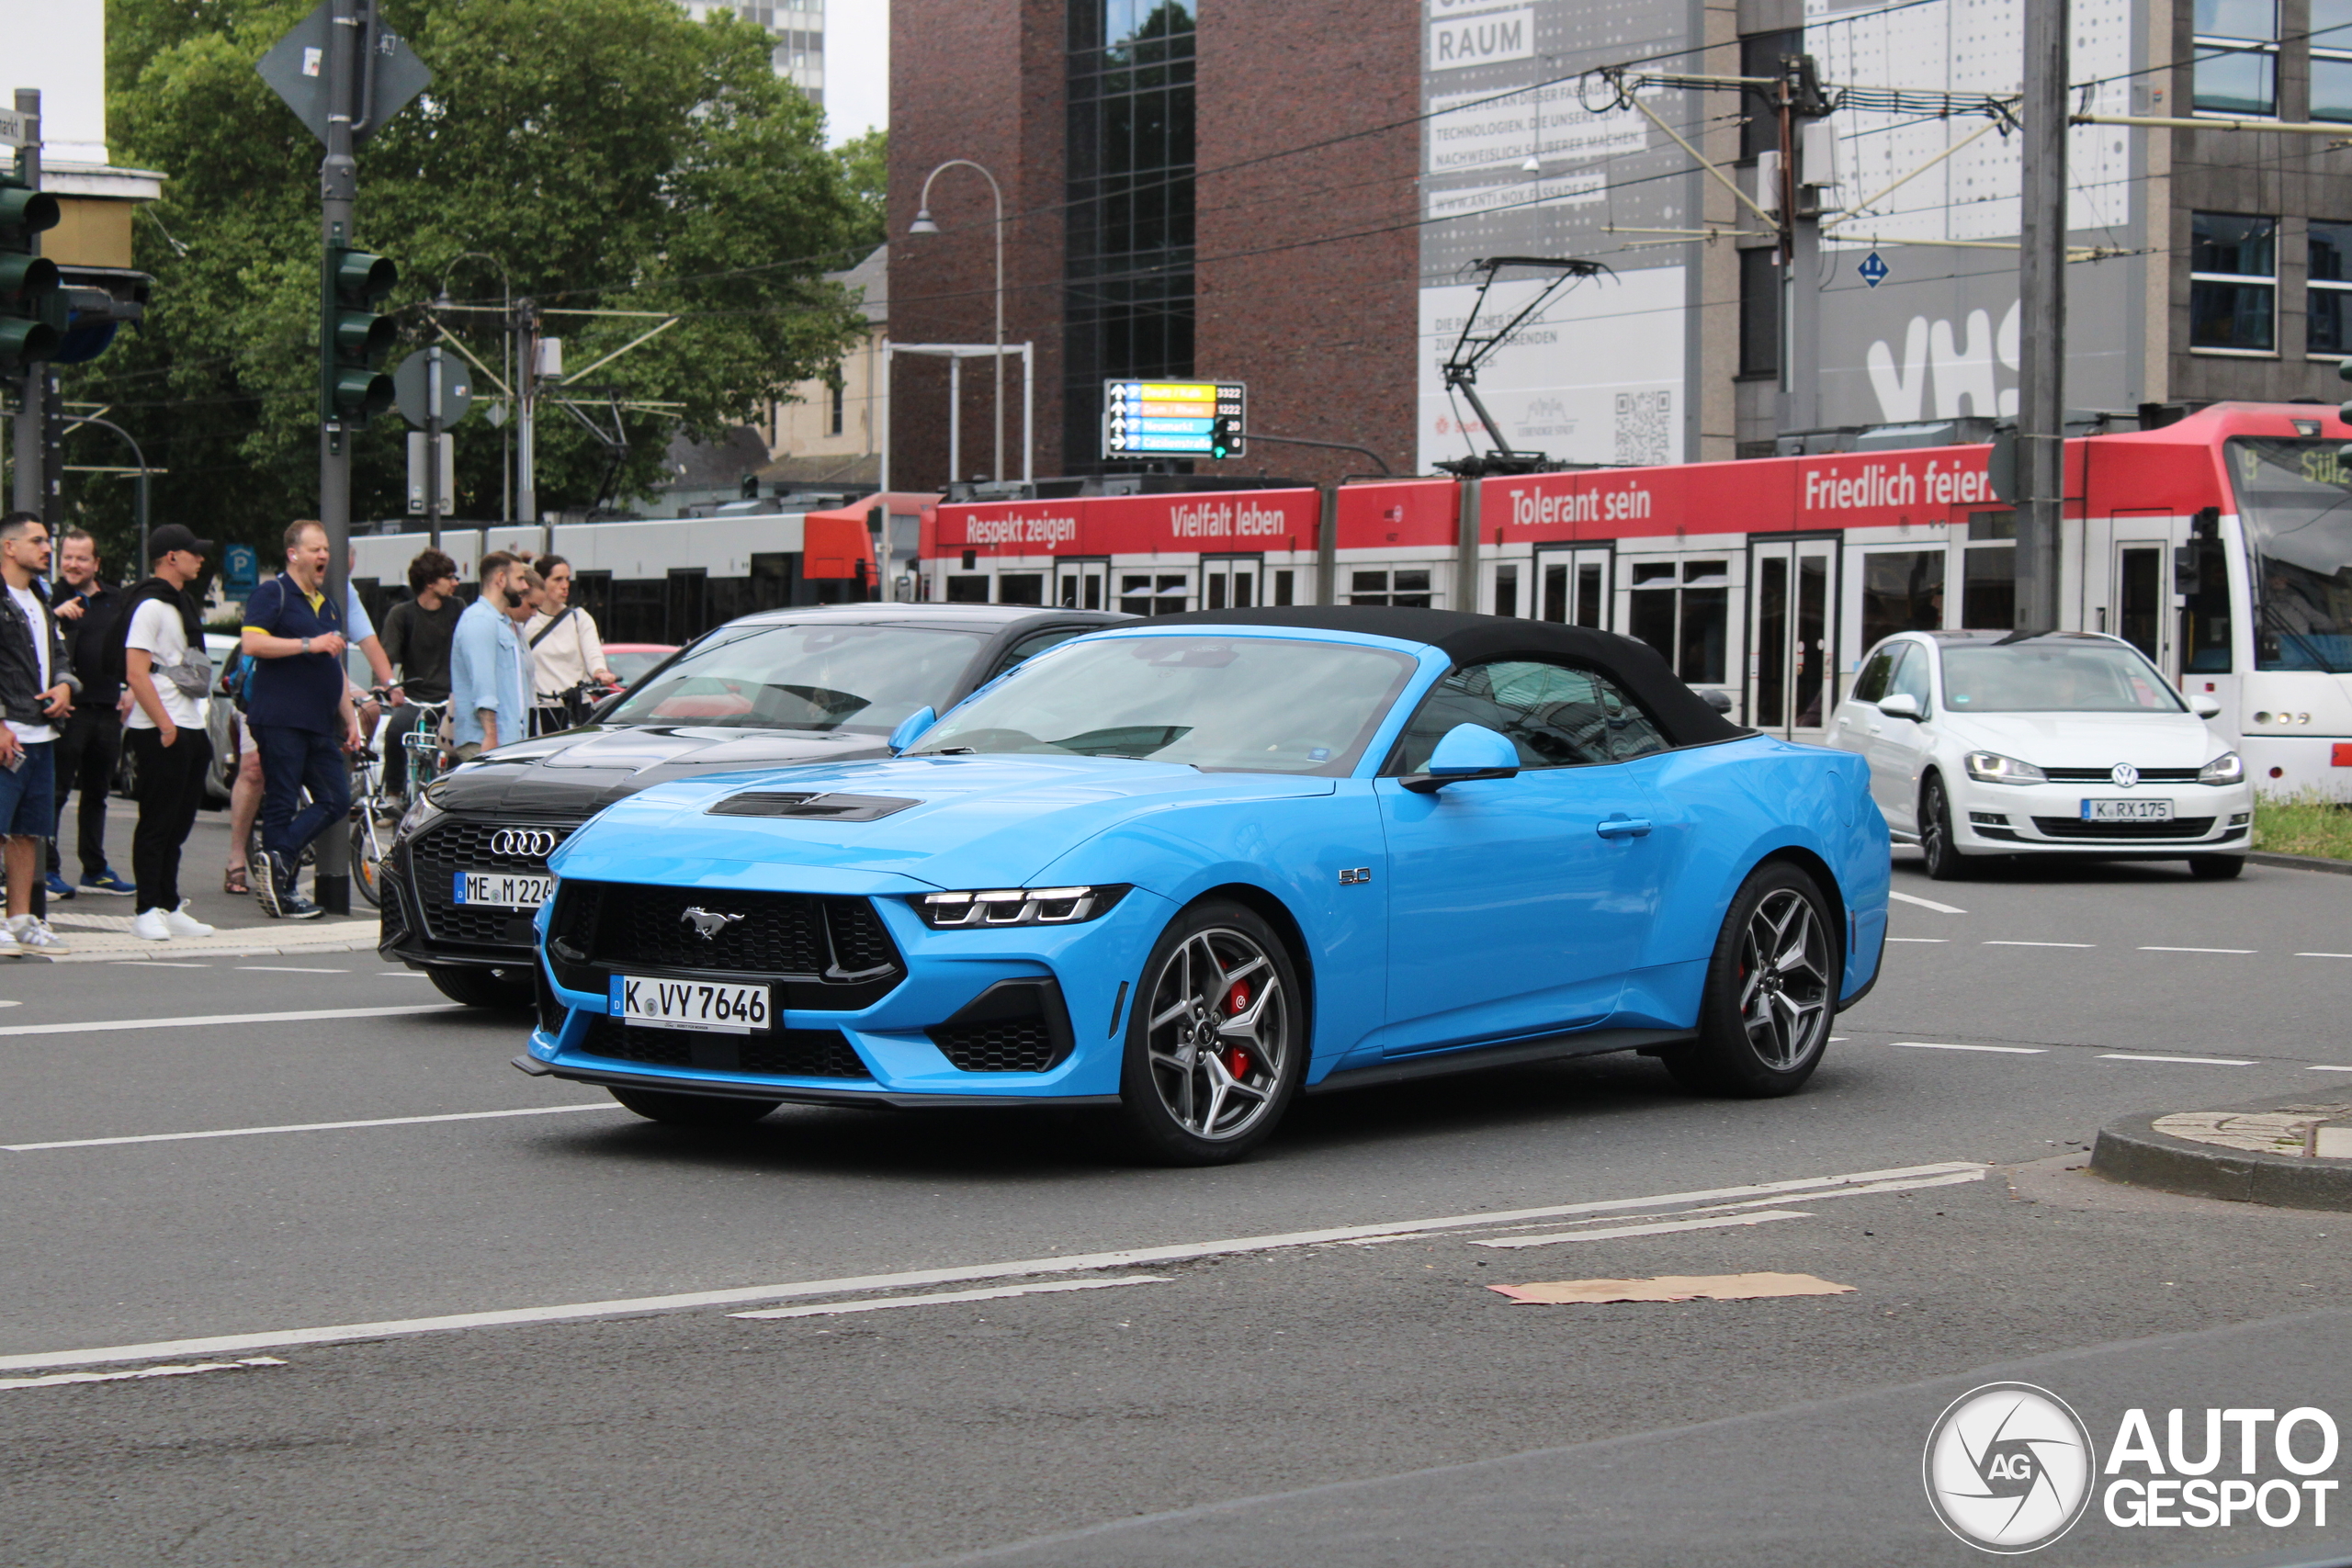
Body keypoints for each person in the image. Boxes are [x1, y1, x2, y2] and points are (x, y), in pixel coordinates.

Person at [240, 520, 363, 919]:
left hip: (319, 722)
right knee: (280, 799)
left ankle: (277, 855)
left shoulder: (327, 605)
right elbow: (253, 642)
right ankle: (283, 890)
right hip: (280, 718)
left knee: (336, 798)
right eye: (315, 549)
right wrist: (308, 643)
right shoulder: (272, 593)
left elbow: (335, 668)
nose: (323, 556)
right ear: (294, 554)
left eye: (326, 549)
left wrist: (351, 719)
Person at [117, 525, 218, 942]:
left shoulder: (182, 603)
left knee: (180, 822)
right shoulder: (151, 607)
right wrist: (164, 725)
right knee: (157, 822)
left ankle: (169, 903)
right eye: (193, 553)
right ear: (171, 557)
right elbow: (136, 673)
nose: (201, 559)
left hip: (191, 722)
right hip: (162, 725)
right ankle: (146, 908)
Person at [0, 512, 79, 956]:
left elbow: (60, 653)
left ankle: (21, 919)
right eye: (38, 540)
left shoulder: (40, 599)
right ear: (9, 547)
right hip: (9, 729)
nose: (47, 549)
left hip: (42, 732)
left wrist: (67, 684)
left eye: (48, 540)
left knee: (29, 831)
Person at [46, 528, 132, 898]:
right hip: (67, 711)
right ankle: (45, 868)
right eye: (67, 557)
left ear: (96, 563)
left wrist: (131, 690)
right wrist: (54, 616)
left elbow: (134, 647)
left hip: (108, 709)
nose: (73, 565)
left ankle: (94, 869)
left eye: (82, 558)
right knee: (54, 792)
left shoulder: (118, 599)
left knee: (97, 793)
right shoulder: (48, 595)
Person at [378, 547, 462, 803]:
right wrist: (389, 686)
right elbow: (386, 657)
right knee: (395, 732)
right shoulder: (401, 614)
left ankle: (454, 797)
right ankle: (393, 793)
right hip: (415, 699)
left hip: (450, 699)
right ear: (429, 582)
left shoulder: (458, 608)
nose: (455, 583)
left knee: (461, 744)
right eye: (449, 577)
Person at [448, 553, 534, 761]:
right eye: (520, 579)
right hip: (488, 744)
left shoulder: (501, 622)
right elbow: (483, 687)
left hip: (507, 741)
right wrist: (490, 738)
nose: (525, 587)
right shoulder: (479, 620)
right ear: (501, 579)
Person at [524, 555, 615, 731]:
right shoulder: (528, 620)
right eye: (557, 579)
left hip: (577, 707)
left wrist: (600, 672)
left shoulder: (579, 618)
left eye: (567, 579)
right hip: (541, 709)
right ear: (541, 582)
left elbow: (593, 653)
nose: (565, 586)